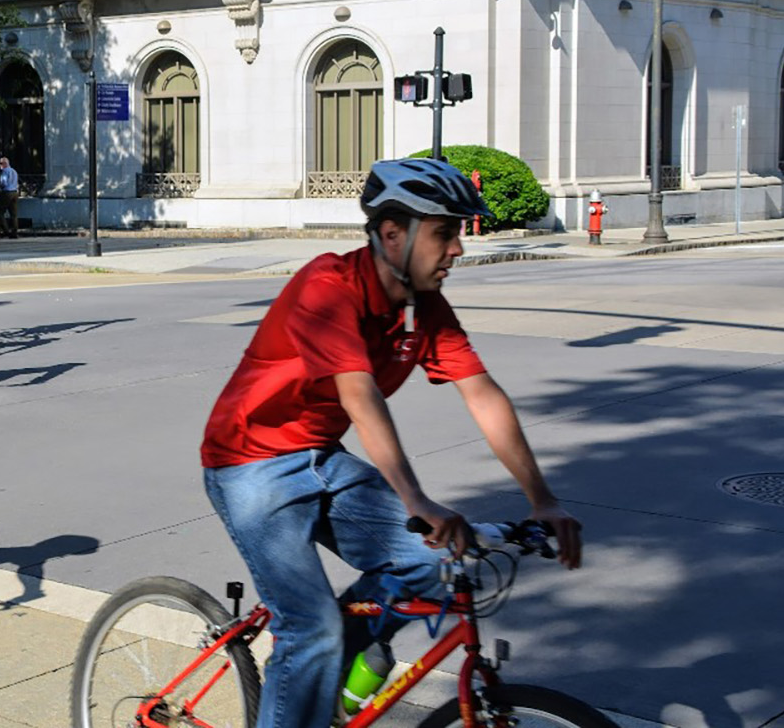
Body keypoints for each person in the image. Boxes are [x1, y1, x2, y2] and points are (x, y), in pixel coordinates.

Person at [200, 157, 583, 728]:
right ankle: (318, 655)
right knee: (310, 629)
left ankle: (334, 667)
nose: (457, 249)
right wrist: (417, 500)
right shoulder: (327, 287)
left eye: (458, 233)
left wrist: (542, 500)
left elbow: (483, 395)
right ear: (391, 233)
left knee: (433, 563)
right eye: (444, 233)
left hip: (319, 457)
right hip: (249, 463)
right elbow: (360, 396)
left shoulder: (423, 307)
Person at [0, 155, 20, 238]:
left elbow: (4, 183)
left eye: (0, 163)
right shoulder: (14, 171)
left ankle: (6, 230)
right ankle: (14, 232)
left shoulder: (5, 171)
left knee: (0, 212)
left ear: (5, 164)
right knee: (14, 213)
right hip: (15, 192)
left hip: (7, 192)